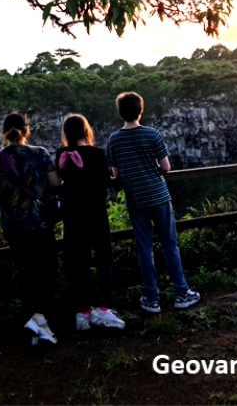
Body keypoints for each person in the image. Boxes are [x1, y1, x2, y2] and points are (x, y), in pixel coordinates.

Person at [107, 92, 200, 313]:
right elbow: (166, 167)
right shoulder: (152, 134)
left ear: (120, 113)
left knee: (144, 250)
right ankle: (181, 293)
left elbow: (116, 175)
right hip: (158, 196)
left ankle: (152, 298)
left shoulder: (114, 139)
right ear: (141, 110)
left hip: (136, 200)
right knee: (170, 245)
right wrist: (151, 171)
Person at [0, 112, 60, 345]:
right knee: (48, 269)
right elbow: (55, 183)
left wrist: (8, 193)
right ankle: (42, 319)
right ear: (27, 131)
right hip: (39, 221)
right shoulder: (40, 153)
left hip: (12, 224)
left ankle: (33, 321)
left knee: (25, 271)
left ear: (3, 132)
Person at [56, 113, 125, 331]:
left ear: (66, 133)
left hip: (73, 217)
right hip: (95, 214)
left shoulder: (61, 154)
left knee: (79, 262)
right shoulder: (96, 153)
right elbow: (105, 181)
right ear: (86, 132)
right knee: (104, 257)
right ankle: (103, 309)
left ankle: (83, 312)